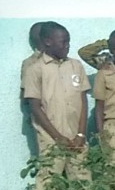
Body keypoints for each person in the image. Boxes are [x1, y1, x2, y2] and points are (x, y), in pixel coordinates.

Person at [19, 21, 90, 172]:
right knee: (50, 182)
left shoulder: (76, 66)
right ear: (47, 42)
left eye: (68, 41)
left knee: (83, 181)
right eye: (63, 42)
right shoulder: (35, 69)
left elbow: (83, 101)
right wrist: (57, 137)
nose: (67, 45)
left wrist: (81, 133)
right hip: (50, 137)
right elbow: (35, 107)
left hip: (77, 137)